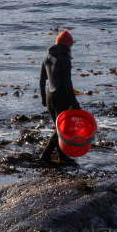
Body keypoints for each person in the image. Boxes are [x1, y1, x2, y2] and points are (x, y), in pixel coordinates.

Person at [39, 30, 81, 165]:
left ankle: (62, 156)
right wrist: (74, 102)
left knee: (59, 128)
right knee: (60, 130)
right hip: (60, 97)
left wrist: (43, 97)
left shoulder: (46, 58)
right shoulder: (65, 60)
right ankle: (45, 155)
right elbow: (67, 84)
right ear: (67, 46)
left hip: (49, 97)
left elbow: (41, 81)